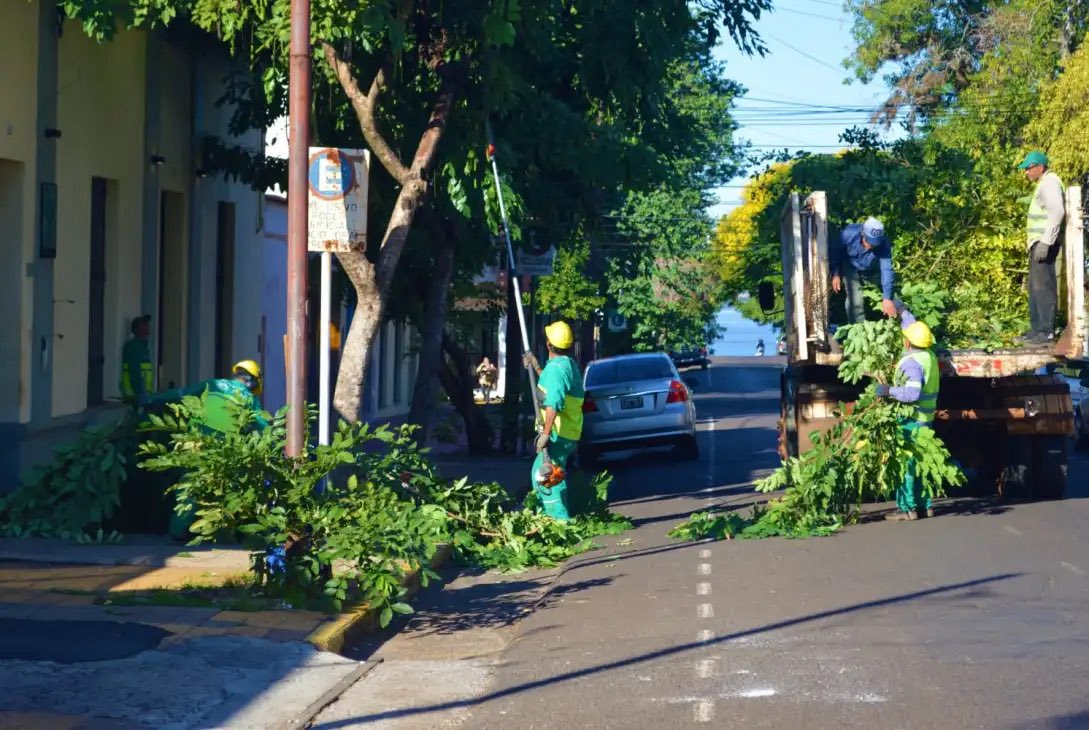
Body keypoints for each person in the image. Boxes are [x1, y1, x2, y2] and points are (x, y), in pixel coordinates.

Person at [145, 360, 268, 538]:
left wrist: (152, 399)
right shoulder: (249, 399)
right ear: (252, 382)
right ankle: (225, 529)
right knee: (230, 485)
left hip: (195, 439)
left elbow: (181, 393)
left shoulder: (212, 384)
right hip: (223, 446)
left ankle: (178, 528)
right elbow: (262, 426)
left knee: (189, 483)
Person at [874, 307, 938, 521]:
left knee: (906, 464)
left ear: (908, 342)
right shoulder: (928, 355)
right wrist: (899, 307)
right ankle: (924, 506)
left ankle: (907, 509)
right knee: (922, 461)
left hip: (911, 419)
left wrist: (888, 391)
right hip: (926, 419)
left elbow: (912, 393)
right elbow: (911, 324)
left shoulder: (912, 363)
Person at [523, 322, 584, 521]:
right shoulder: (566, 364)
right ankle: (550, 517)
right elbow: (553, 384)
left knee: (544, 477)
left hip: (558, 432)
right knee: (552, 473)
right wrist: (537, 366)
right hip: (569, 430)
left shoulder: (556, 370)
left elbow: (553, 403)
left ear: (548, 344)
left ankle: (558, 521)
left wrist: (546, 434)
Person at [1019, 150, 1066, 344]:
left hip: (1043, 243)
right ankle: (1037, 330)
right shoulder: (1044, 183)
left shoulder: (1050, 182)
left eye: (1029, 168)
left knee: (1043, 287)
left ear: (1040, 167)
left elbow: (1057, 211)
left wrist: (1046, 242)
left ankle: (1045, 332)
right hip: (1038, 244)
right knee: (1035, 288)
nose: (1026, 172)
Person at [830, 217, 898, 322]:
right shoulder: (849, 233)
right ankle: (857, 331)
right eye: (869, 241)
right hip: (850, 267)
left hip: (871, 270)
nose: (871, 246)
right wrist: (835, 274)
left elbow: (886, 270)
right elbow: (836, 252)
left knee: (889, 293)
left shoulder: (883, 244)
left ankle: (902, 317)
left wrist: (887, 298)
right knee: (856, 301)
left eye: (874, 243)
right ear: (863, 234)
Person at [120, 314, 154, 401]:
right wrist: (141, 393)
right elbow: (134, 370)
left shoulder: (143, 346)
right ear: (136, 330)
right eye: (143, 324)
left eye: (146, 324)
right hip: (135, 395)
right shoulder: (134, 346)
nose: (147, 326)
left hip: (143, 394)